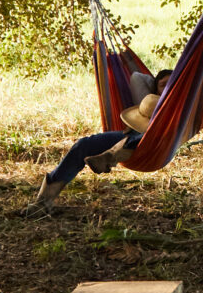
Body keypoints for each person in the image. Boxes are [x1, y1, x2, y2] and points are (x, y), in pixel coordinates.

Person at [26, 64, 172, 212]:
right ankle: (43, 202)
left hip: (160, 142)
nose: (166, 88)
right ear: (155, 90)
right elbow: (136, 77)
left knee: (146, 136)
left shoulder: (181, 107)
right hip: (131, 135)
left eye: (170, 84)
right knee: (83, 145)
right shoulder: (147, 104)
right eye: (162, 85)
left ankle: (109, 157)